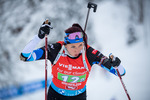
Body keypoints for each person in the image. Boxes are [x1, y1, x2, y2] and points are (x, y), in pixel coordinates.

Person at [20, 21, 126, 100]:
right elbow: (25, 56)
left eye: (80, 45)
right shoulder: (56, 49)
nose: (78, 50)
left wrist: (117, 64)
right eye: (73, 47)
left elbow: (120, 73)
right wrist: (39, 37)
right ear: (66, 45)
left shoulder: (89, 53)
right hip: (56, 96)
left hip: (78, 97)